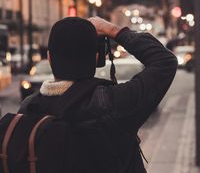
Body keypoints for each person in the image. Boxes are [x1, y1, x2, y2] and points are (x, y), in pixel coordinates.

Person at [18, 16, 177, 173]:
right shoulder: (114, 102)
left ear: (49, 58)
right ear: (95, 58)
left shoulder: (28, 109)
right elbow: (164, 61)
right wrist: (113, 30)